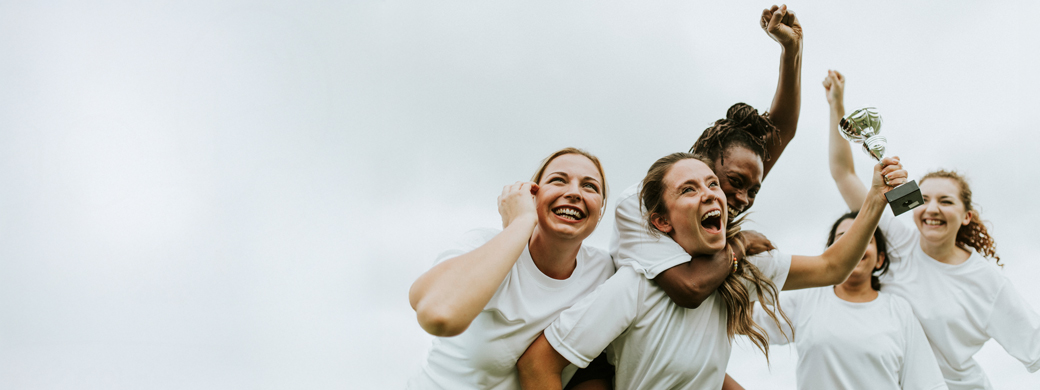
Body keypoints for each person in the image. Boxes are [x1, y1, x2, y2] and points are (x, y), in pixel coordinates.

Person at [516, 152, 908, 390]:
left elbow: (832, 266)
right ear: (662, 222)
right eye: (687, 190)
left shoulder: (747, 270)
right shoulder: (635, 285)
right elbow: (537, 364)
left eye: (711, 185)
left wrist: (875, 198)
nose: (709, 194)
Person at [825, 70, 1040, 390]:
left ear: (966, 216)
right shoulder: (898, 241)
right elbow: (843, 174)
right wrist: (836, 106)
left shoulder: (987, 282)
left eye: (946, 201)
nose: (933, 208)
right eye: (924, 199)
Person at [406, 148, 617, 389]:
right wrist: (522, 221)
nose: (573, 193)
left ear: (600, 210)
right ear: (532, 196)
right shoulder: (482, 243)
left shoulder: (603, 272)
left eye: (590, 186)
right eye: (558, 180)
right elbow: (437, 314)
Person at [751, 212, 947, 389]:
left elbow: (927, 384)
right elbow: (744, 319)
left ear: (880, 259)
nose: (855, 245)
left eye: (865, 239)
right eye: (843, 238)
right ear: (831, 253)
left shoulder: (899, 310)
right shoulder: (807, 298)